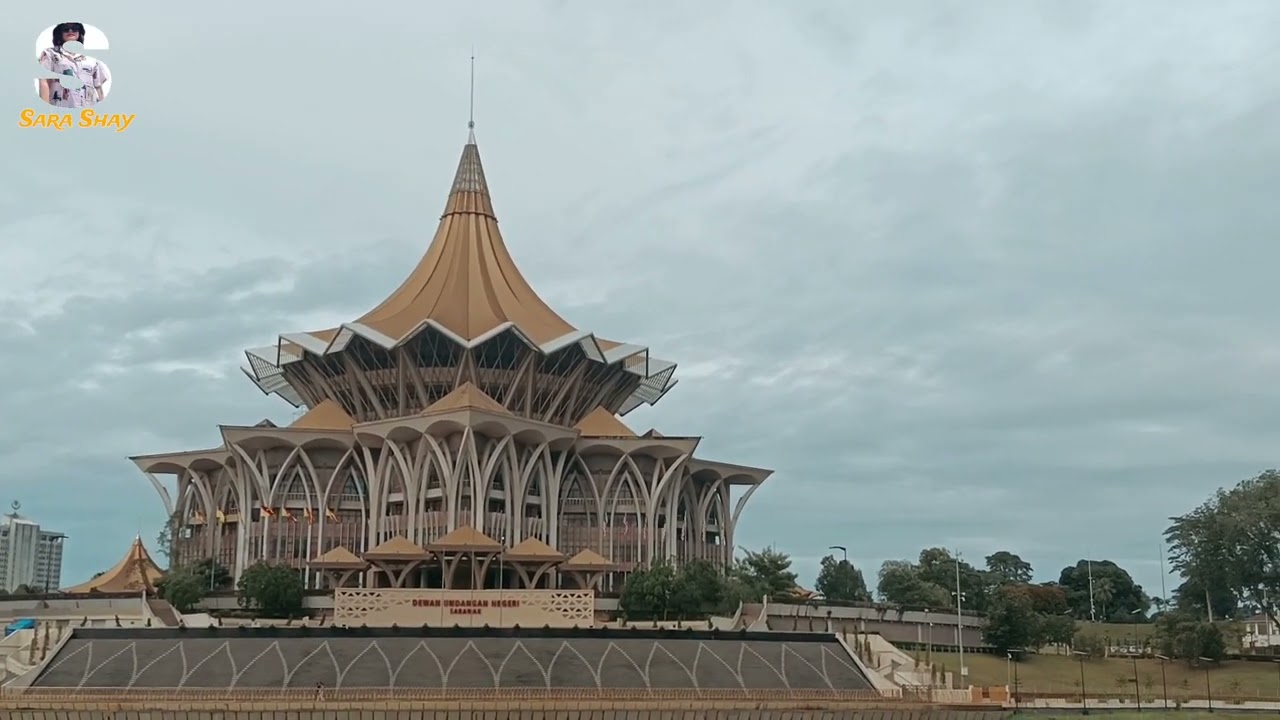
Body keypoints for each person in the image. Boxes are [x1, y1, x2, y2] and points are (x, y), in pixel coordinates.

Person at [38, 22, 110, 108]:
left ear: (80, 33)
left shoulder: (91, 58)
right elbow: (43, 80)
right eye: (66, 29)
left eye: (75, 28)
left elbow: (98, 86)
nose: (70, 31)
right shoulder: (50, 54)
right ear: (60, 33)